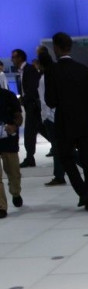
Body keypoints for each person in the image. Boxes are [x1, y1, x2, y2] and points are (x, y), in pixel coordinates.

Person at [44, 31, 88, 211]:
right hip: (85, 121)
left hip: (64, 122)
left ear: (56, 48)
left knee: (66, 158)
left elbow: (50, 100)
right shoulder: (84, 69)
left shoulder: (53, 71)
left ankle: (84, 193)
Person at [36, 45, 65, 186]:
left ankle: (59, 175)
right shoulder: (56, 75)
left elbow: (44, 100)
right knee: (60, 147)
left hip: (50, 117)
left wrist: (46, 117)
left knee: (59, 147)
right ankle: (59, 174)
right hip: (57, 115)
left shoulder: (44, 79)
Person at [11, 48, 41, 167]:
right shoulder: (21, 72)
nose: (12, 59)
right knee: (38, 130)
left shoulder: (29, 69)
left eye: (14, 57)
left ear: (20, 58)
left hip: (33, 105)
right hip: (29, 105)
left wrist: (24, 99)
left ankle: (30, 157)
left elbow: (32, 88)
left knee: (30, 132)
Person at [0, 83, 23, 218]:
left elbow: (18, 116)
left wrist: (14, 126)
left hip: (8, 139)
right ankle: (1, 206)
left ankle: (16, 192)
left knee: (13, 172)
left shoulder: (8, 96)